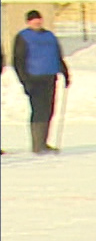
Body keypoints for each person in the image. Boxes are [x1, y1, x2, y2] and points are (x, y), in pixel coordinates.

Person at [11, 10, 70, 154]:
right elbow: (18, 60)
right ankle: (37, 145)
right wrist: (24, 81)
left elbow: (58, 55)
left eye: (38, 19)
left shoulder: (49, 36)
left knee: (49, 110)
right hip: (33, 78)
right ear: (28, 22)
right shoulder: (23, 37)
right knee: (38, 110)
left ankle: (44, 142)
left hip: (50, 77)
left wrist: (65, 73)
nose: (36, 22)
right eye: (33, 20)